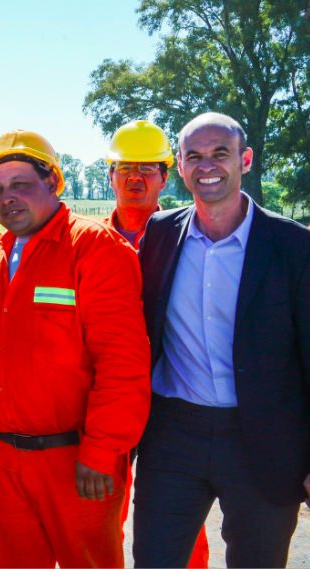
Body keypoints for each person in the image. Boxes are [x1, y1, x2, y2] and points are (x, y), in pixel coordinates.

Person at [132, 112, 310, 568]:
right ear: (180, 164)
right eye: (194, 156)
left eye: (220, 154)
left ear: (245, 159)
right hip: (172, 435)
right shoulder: (159, 233)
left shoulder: (294, 245)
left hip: (265, 440)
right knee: (155, 560)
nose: (206, 165)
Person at [0, 130, 151, 567]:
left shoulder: (95, 249)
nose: (7, 199)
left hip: (73, 462)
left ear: (52, 182)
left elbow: (122, 362)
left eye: (20, 185)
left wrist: (103, 451)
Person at [104, 120, 211, 568]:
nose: (135, 178)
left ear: (166, 177)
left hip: (170, 403)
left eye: (147, 169)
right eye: (125, 168)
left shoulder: (193, 239)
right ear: (110, 175)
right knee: (104, 512)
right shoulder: (90, 244)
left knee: (183, 520)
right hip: (107, 401)